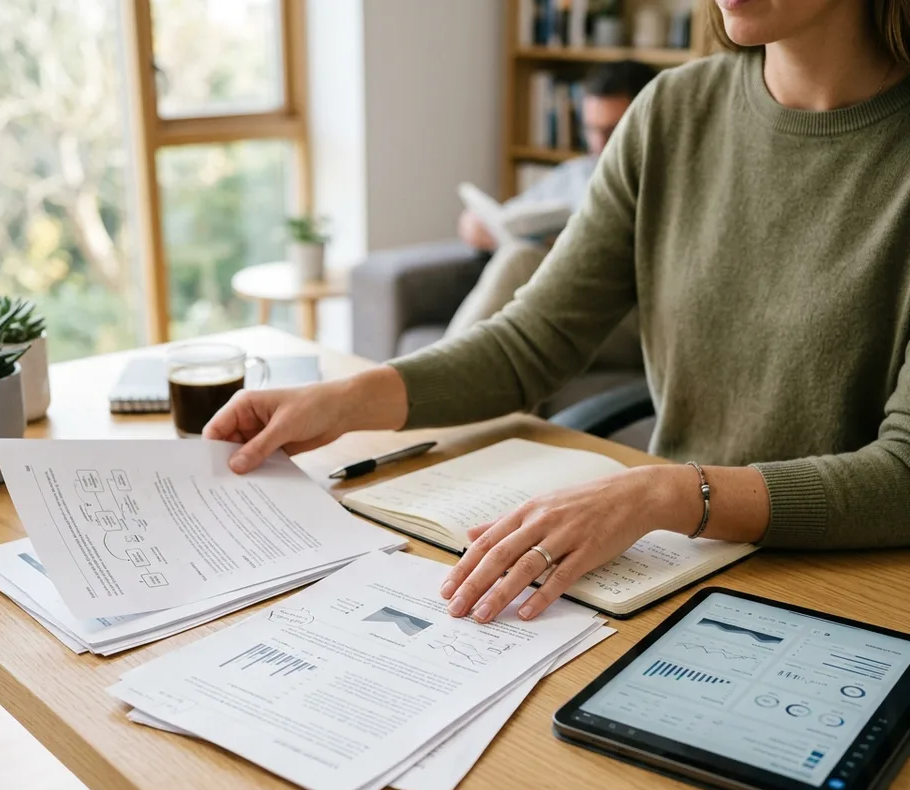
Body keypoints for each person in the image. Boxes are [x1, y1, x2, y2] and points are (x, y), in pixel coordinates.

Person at [207, 0, 910, 626]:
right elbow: (533, 340)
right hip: (666, 570)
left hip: (844, 585)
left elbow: (903, 475)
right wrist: (345, 399)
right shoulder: (672, 111)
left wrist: (666, 491)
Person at [447, 60, 657, 339]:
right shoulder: (575, 174)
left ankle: (426, 372)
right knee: (519, 257)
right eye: (590, 129)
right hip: (555, 300)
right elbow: (506, 217)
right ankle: (440, 367)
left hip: (620, 317)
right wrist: (477, 226)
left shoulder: (661, 185)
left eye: (610, 131)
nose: (597, 144)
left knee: (522, 259)